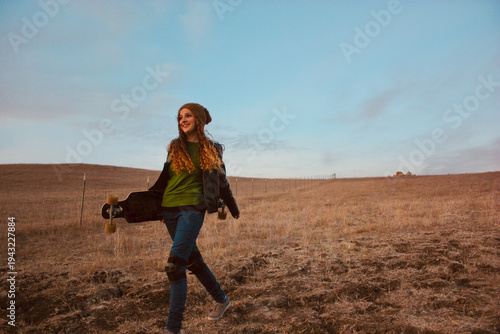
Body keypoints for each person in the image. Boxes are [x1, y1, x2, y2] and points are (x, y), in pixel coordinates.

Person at [149, 103, 240, 334]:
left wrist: (232, 207)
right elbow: (165, 179)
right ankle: (222, 300)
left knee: (174, 266)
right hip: (169, 208)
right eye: (180, 117)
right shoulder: (174, 147)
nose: (183, 120)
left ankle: (173, 328)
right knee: (192, 261)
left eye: (188, 116)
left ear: (198, 119)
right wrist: (155, 209)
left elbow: (222, 181)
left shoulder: (211, 149)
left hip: (192, 209)